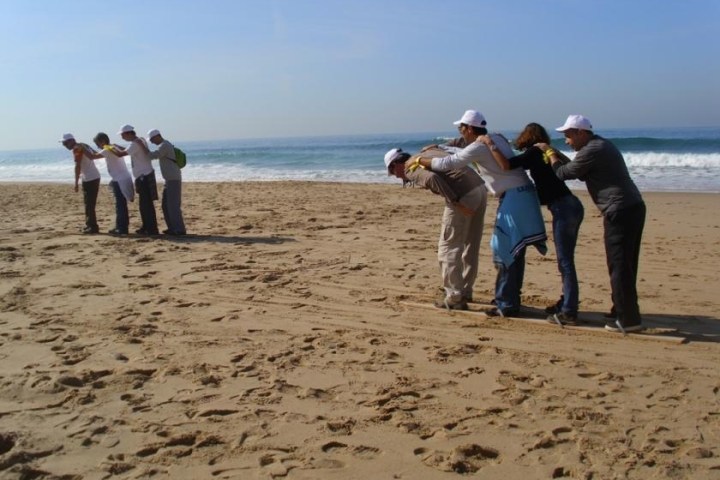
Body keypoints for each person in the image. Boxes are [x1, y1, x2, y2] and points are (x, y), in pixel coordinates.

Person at [409, 110, 547, 316]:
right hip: (524, 193)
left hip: (513, 197)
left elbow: (449, 163)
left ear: (470, 128)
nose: (460, 132)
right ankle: (509, 298)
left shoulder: (480, 146)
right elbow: (465, 149)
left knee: (505, 250)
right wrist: (440, 147)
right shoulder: (496, 138)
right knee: (515, 251)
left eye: (461, 128)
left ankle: (507, 304)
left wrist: (421, 161)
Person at [540, 115, 646, 333]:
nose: (567, 141)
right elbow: (578, 171)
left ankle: (627, 320)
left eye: (568, 136)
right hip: (631, 206)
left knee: (618, 265)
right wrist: (554, 153)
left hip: (620, 209)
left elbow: (564, 173)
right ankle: (622, 310)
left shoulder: (593, 149)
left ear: (581, 133)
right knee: (626, 263)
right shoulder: (599, 146)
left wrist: (549, 153)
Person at [480, 123, 584, 325]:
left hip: (563, 207)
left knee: (566, 262)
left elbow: (506, 166)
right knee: (566, 261)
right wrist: (552, 152)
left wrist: (490, 143)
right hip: (569, 205)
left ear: (528, 136)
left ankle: (569, 310)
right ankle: (566, 304)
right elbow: (569, 164)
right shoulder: (543, 151)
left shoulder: (535, 151)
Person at [385, 147, 487, 310]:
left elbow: (432, 178)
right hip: (479, 187)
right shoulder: (425, 154)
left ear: (396, 164)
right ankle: (465, 290)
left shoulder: (410, 167)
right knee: (470, 244)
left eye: (392, 172)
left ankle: (455, 296)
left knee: (448, 247)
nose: (397, 176)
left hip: (463, 194)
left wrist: (455, 202)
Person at [114, 124, 159, 235]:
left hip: (144, 176)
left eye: (123, 134)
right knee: (144, 204)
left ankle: (151, 228)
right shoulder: (139, 141)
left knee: (145, 204)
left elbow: (121, 154)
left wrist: (110, 149)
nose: (122, 137)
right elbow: (127, 150)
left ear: (128, 133)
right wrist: (117, 147)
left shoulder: (135, 144)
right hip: (144, 175)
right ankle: (146, 227)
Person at [89, 132, 135, 235]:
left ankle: (122, 228)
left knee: (120, 205)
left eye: (97, 143)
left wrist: (84, 148)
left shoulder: (107, 149)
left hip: (120, 179)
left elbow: (92, 157)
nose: (97, 146)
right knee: (121, 204)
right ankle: (121, 226)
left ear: (103, 141)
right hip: (123, 177)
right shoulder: (113, 147)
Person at [147, 129, 186, 235]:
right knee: (166, 205)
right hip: (169, 179)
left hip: (173, 179)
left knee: (173, 205)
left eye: (152, 139)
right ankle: (172, 228)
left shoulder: (164, 145)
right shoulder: (165, 145)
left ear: (157, 136)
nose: (151, 142)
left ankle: (179, 229)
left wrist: (142, 148)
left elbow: (152, 156)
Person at [60, 133, 101, 234]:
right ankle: (90, 225)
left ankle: (92, 226)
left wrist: (76, 182)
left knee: (89, 204)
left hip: (89, 178)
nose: (64, 146)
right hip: (95, 175)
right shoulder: (83, 145)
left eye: (65, 143)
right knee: (89, 204)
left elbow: (77, 166)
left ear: (71, 141)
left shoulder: (77, 148)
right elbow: (96, 154)